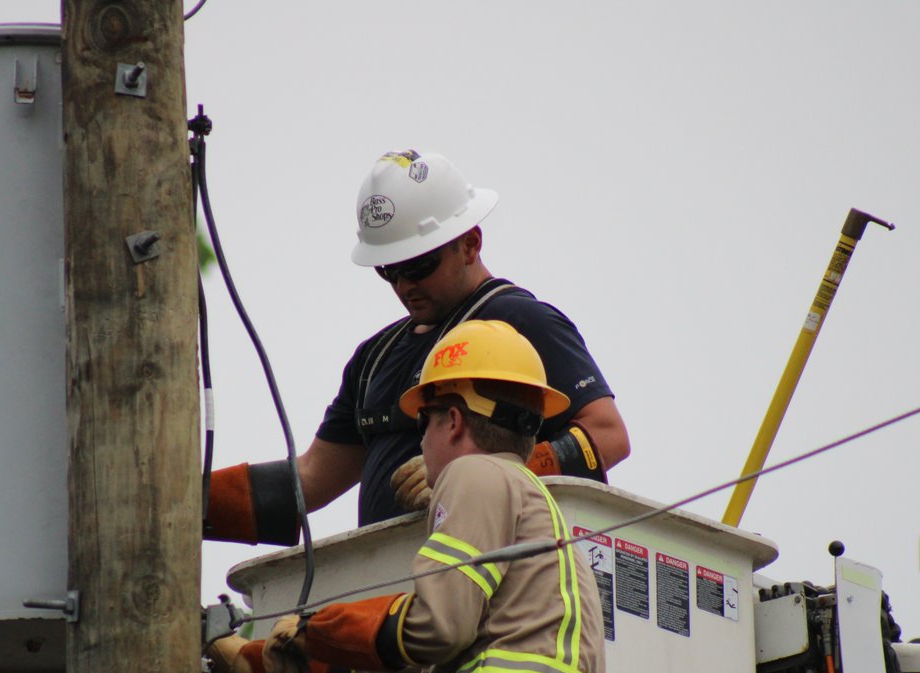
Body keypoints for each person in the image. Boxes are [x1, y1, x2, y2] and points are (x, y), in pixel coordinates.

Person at [203, 320, 610, 673]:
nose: (419, 442)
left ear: (453, 421)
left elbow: (437, 627)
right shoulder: (543, 514)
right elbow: (412, 656)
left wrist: (317, 628)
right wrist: (255, 662)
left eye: (425, 422)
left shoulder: (473, 475)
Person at [204, 149, 629, 546]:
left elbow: (609, 435)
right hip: (394, 586)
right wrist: (185, 500)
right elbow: (311, 478)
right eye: (389, 271)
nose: (405, 286)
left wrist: (466, 478)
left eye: (420, 266)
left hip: (487, 582)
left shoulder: (517, 321)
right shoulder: (376, 357)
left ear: (470, 243)